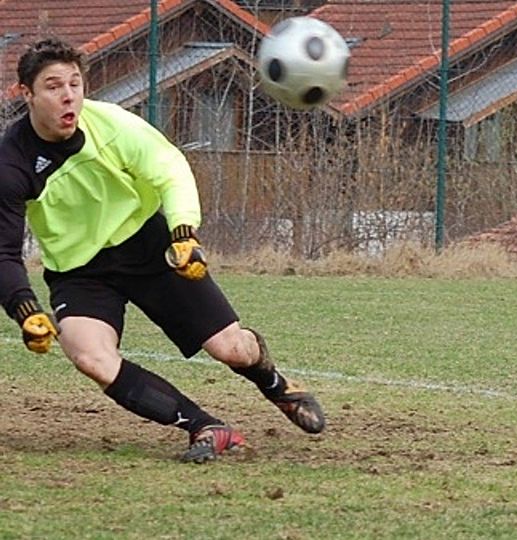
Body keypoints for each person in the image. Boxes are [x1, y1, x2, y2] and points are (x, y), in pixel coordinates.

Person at [0, 38, 325, 463]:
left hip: (149, 247)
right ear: (26, 93)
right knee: (91, 357)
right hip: (80, 272)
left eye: (75, 84)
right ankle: (204, 426)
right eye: (53, 86)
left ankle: (277, 385)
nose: (68, 96)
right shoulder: (11, 164)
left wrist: (182, 233)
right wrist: (26, 311)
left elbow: (170, 169)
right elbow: (4, 253)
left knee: (233, 349)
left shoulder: (111, 125)